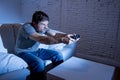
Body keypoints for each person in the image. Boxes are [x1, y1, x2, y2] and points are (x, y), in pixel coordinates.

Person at [15, 11, 79, 80]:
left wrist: (67, 35)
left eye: (47, 24)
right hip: (23, 52)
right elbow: (42, 39)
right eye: (43, 24)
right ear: (34, 23)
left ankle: (55, 77)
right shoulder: (27, 27)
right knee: (39, 63)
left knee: (58, 55)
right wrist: (62, 40)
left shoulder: (42, 28)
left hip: (36, 50)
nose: (46, 27)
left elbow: (55, 34)